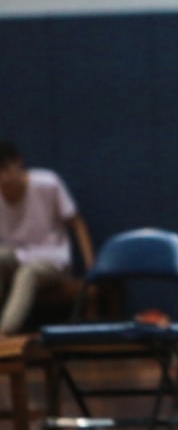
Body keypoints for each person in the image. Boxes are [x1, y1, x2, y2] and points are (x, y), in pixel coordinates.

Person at [0, 141, 94, 337]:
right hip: (16, 256)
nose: (4, 178)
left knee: (28, 273)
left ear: (19, 163)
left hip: (52, 259)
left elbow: (76, 222)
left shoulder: (47, 183)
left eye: (6, 169)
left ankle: (4, 334)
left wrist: (91, 267)